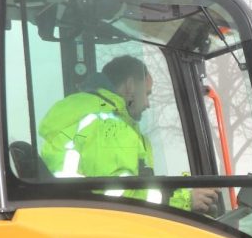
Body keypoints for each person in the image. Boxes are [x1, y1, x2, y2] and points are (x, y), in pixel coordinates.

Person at [39, 55, 219, 214]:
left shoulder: (84, 114)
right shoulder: (109, 126)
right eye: (147, 93)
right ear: (130, 86)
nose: (147, 103)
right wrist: (184, 200)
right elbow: (121, 197)